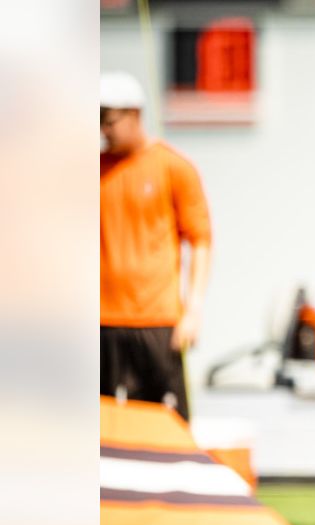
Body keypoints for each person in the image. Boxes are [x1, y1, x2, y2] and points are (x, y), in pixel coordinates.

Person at [100, 71, 212, 421]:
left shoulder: (172, 167)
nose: (102, 129)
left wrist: (192, 311)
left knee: (167, 424)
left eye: (107, 119)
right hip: (102, 322)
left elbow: (201, 240)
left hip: (157, 321)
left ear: (134, 114)